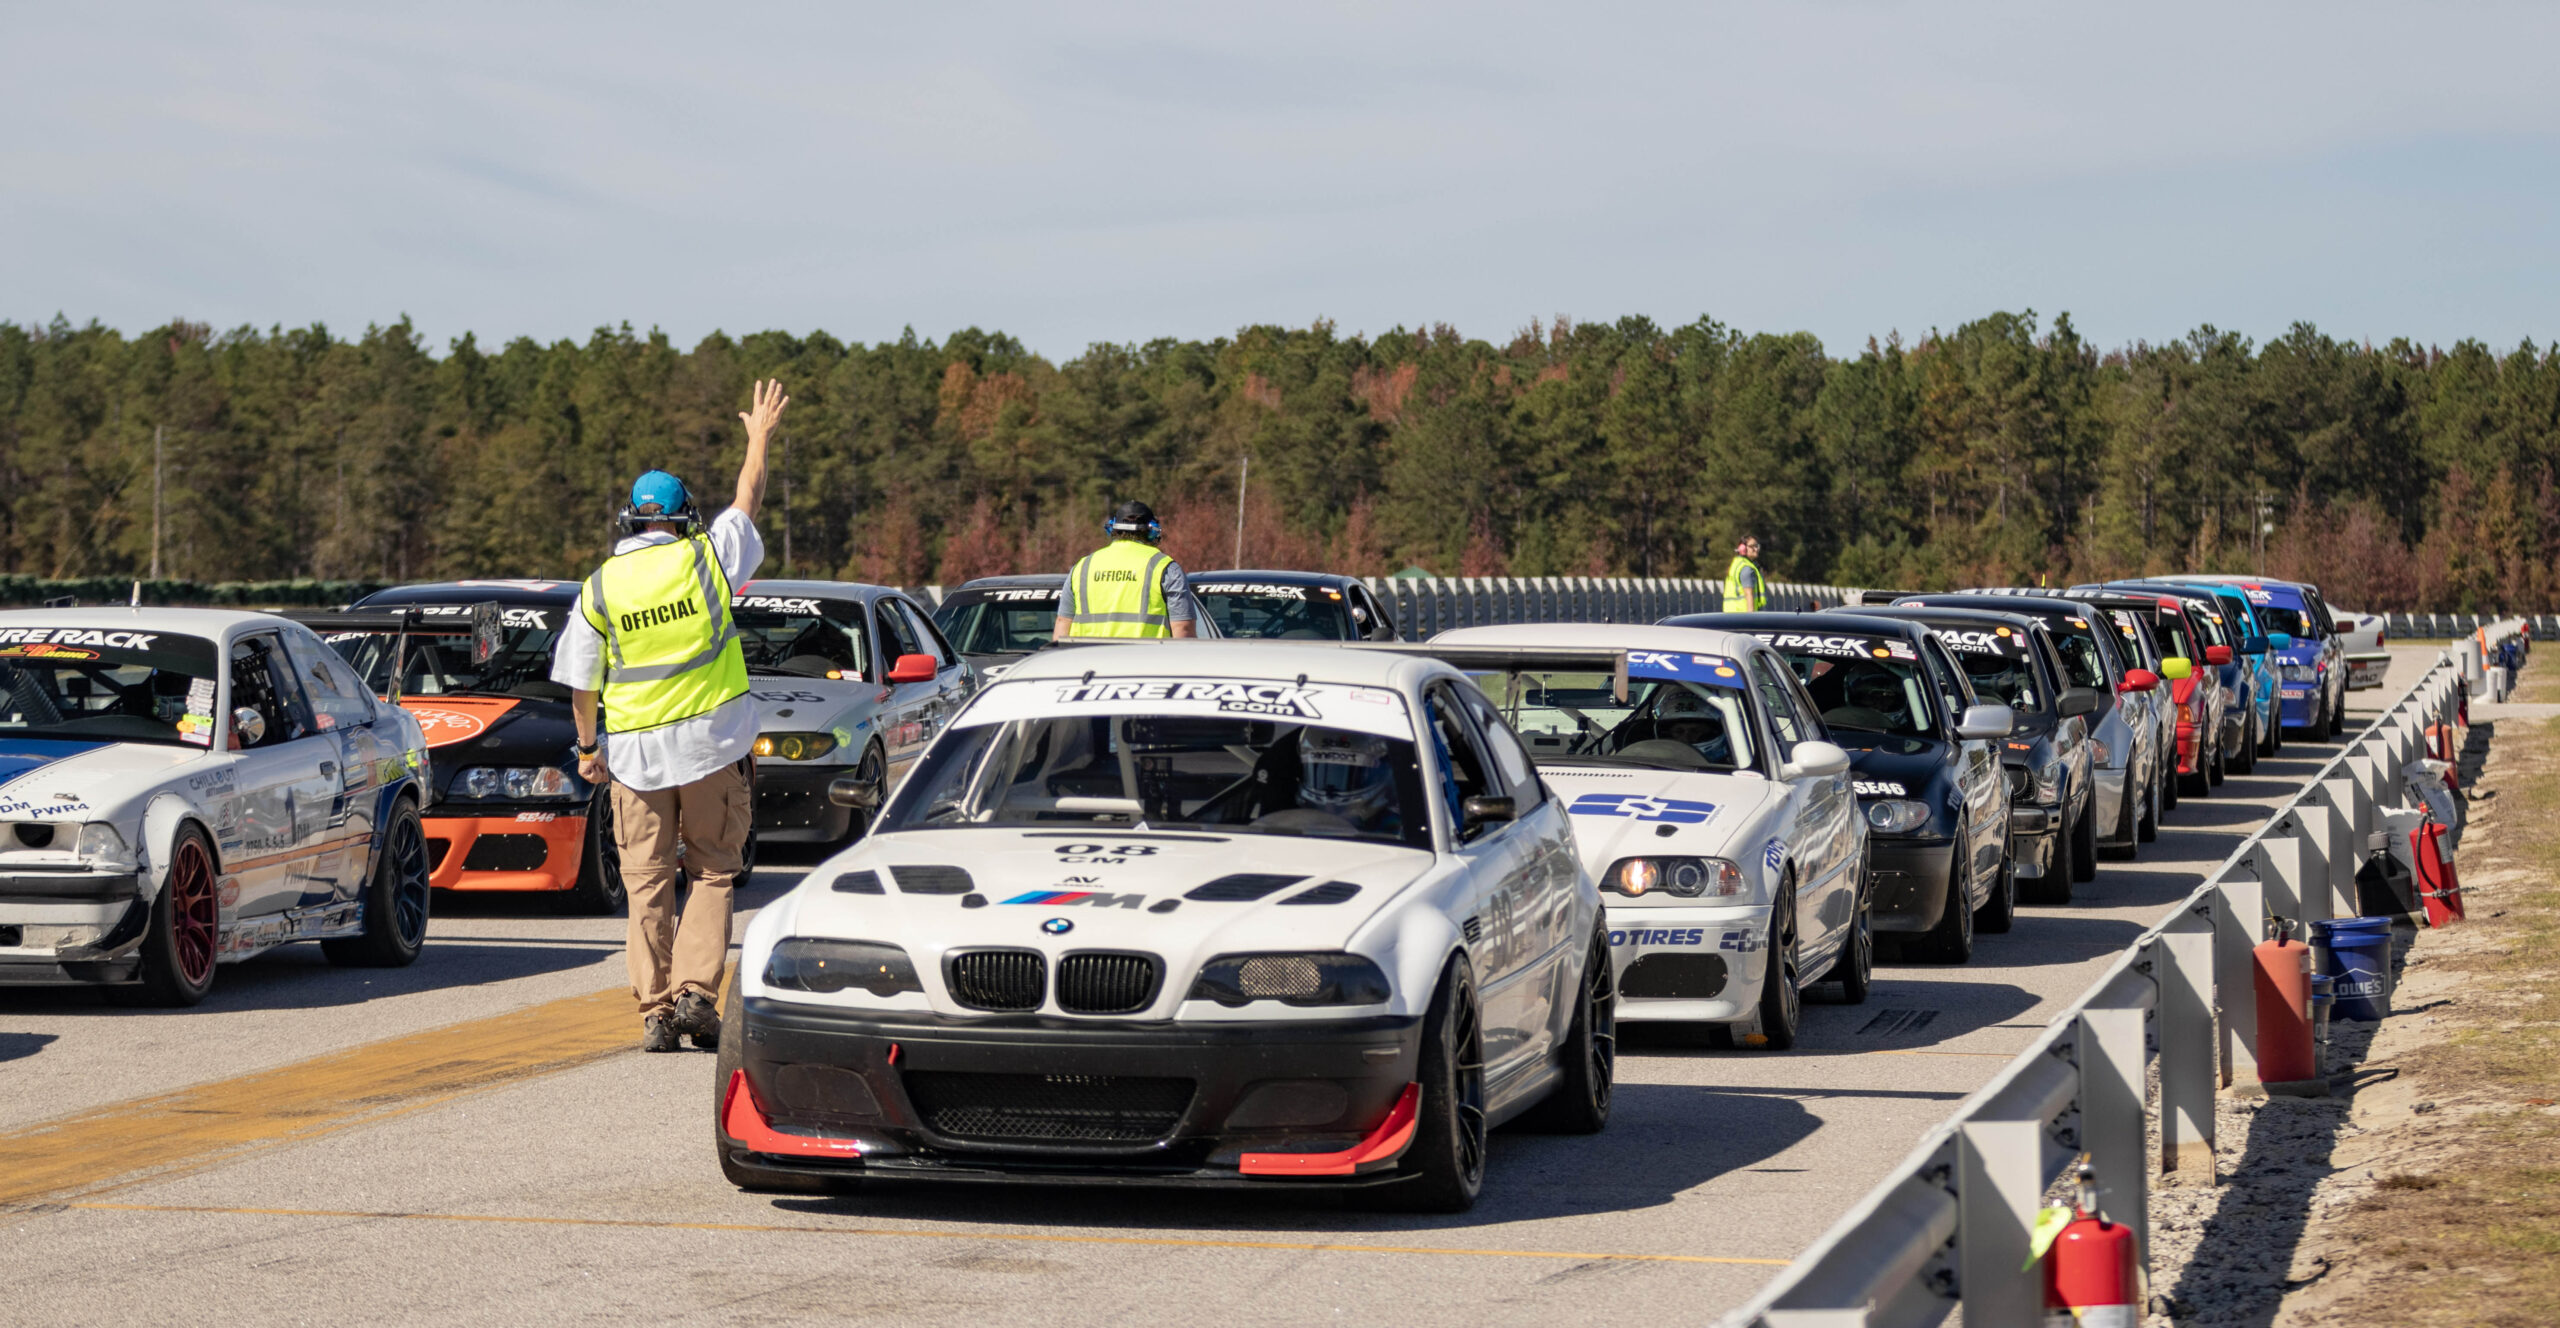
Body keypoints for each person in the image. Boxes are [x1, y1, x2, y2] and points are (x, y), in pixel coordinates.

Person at [554, 379, 781, 1052]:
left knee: (646, 884)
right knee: (711, 872)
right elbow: (747, 497)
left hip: (636, 759)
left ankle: (654, 1012)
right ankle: (695, 995)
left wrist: (588, 748)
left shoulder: (600, 588)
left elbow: (581, 683)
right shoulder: (708, 559)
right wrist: (758, 438)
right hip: (712, 747)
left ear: (629, 521)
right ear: (683, 519)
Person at [1052, 500, 1198, 640]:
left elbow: (1062, 624)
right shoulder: (1165, 567)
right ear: (1152, 532)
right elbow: (1182, 627)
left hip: (1089, 657)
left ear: (1112, 529)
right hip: (1146, 657)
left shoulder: (1083, 567)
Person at [1722, 536, 1766, 612]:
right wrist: (1751, 617)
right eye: (1752, 546)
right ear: (1743, 548)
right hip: (1743, 614)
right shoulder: (1747, 569)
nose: (1756, 549)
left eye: (1757, 546)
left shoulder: (1736, 564)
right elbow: (1749, 594)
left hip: (1731, 614)